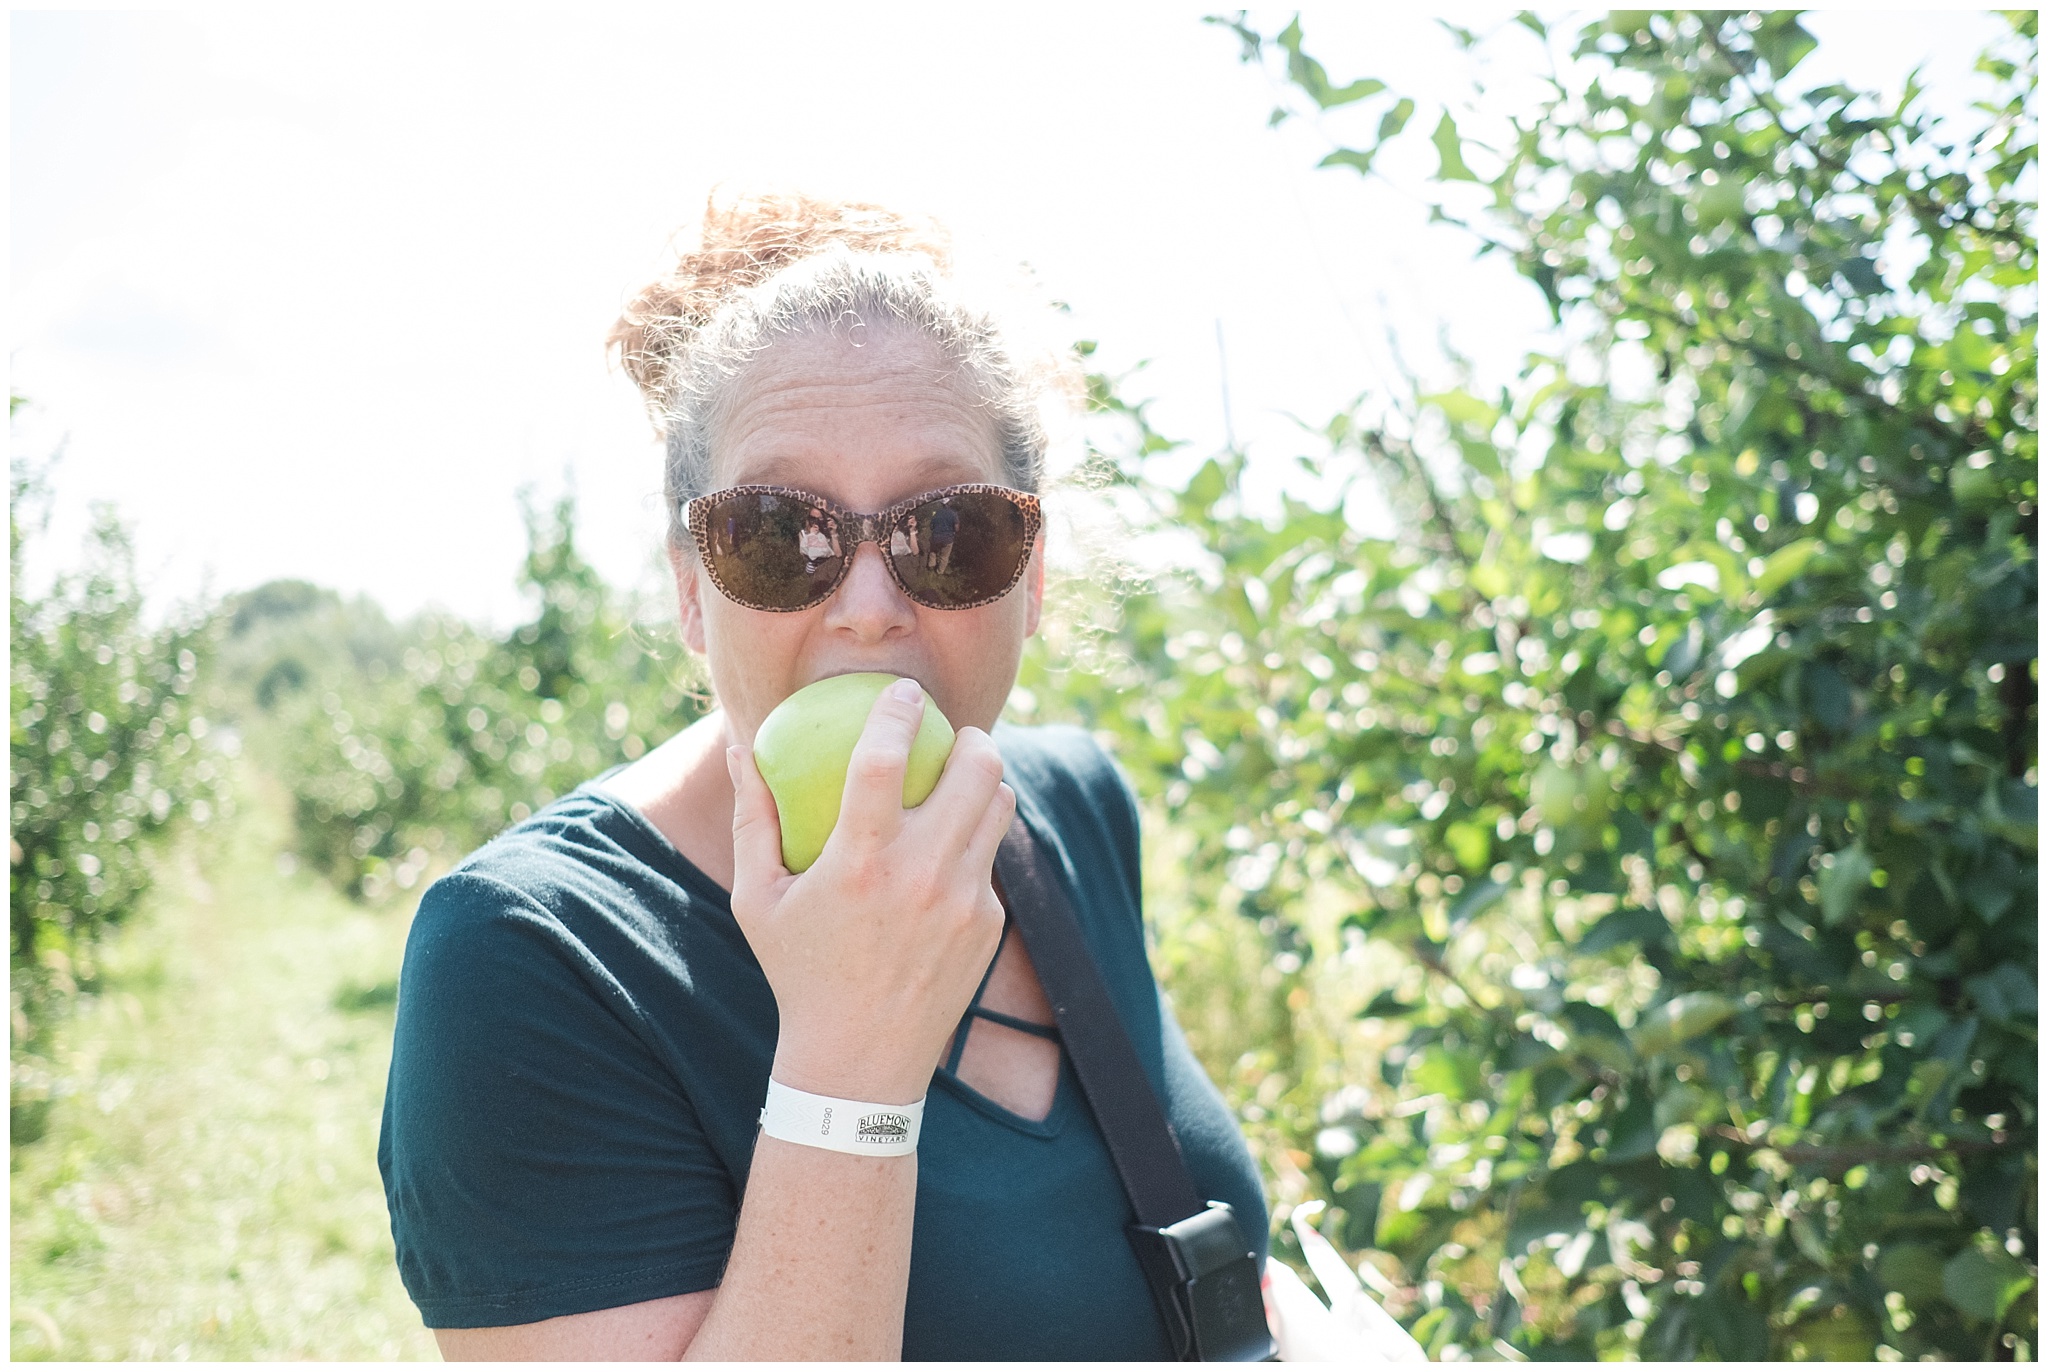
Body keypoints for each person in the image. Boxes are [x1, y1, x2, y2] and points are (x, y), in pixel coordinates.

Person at [377, 190, 1267, 1361]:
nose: (865, 609)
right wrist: (852, 1057)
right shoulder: (535, 956)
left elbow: (1185, 1264)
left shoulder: (1068, 812)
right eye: (773, 533)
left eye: (950, 531)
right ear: (693, 590)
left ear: (1033, 574)